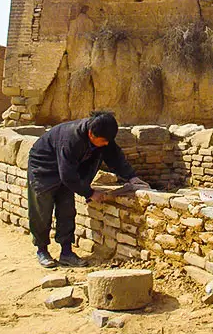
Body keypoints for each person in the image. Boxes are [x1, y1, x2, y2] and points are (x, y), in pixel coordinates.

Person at [27, 110, 149, 268]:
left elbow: (114, 156)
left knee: (67, 210)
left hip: (67, 170)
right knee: (42, 210)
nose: (106, 144)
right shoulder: (71, 139)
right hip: (43, 168)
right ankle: (42, 250)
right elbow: (68, 175)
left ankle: (66, 252)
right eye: (103, 141)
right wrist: (90, 192)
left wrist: (131, 176)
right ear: (91, 134)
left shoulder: (102, 135)